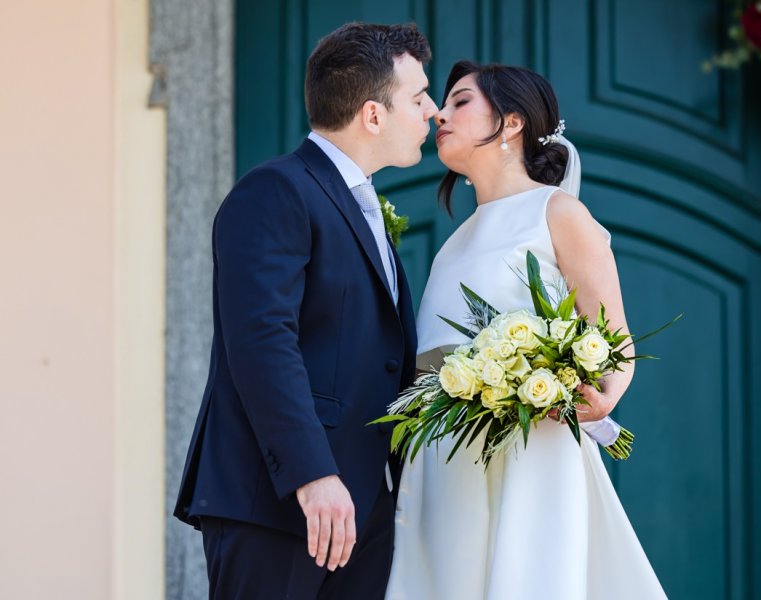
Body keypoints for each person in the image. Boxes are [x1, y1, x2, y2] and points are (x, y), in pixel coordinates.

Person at [173, 22, 438, 599]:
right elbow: (261, 339)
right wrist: (313, 474)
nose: (433, 111)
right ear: (373, 115)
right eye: (418, 98)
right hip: (282, 500)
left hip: (361, 505)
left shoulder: (359, 201)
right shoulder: (276, 191)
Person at [385, 61, 667, 599]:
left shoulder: (557, 213)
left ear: (511, 122)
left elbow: (615, 340)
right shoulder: (453, 243)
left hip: (530, 449)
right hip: (444, 461)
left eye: (461, 101)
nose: (440, 113)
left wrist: (601, 401)